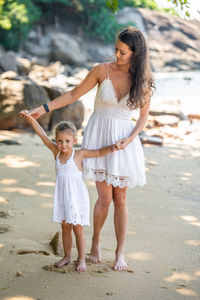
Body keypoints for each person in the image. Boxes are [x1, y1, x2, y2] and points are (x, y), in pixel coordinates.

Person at [20, 26, 154, 271]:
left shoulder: (142, 80)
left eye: (123, 52)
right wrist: (44, 108)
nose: (117, 55)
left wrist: (131, 138)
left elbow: (143, 117)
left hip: (124, 140)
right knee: (104, 198)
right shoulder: (102, 70)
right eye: (116, 49)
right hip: (98, 134)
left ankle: (120, 252)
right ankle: (95, 241)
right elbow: (73, 93)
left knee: (120, 199)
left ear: (136, 53)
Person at [19, 111, 118, 272]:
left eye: (67, 141)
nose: (63, 144)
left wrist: (113, 147)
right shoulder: (56, 152)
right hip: (63, 198)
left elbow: (99, 152)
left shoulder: (79, 154)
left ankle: (81, 259)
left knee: (78, 229)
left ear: (74, 140)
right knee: (65, 228)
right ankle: (66, 256)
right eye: (59, 140)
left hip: (77, 198)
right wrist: (31, 119)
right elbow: (43, 135)